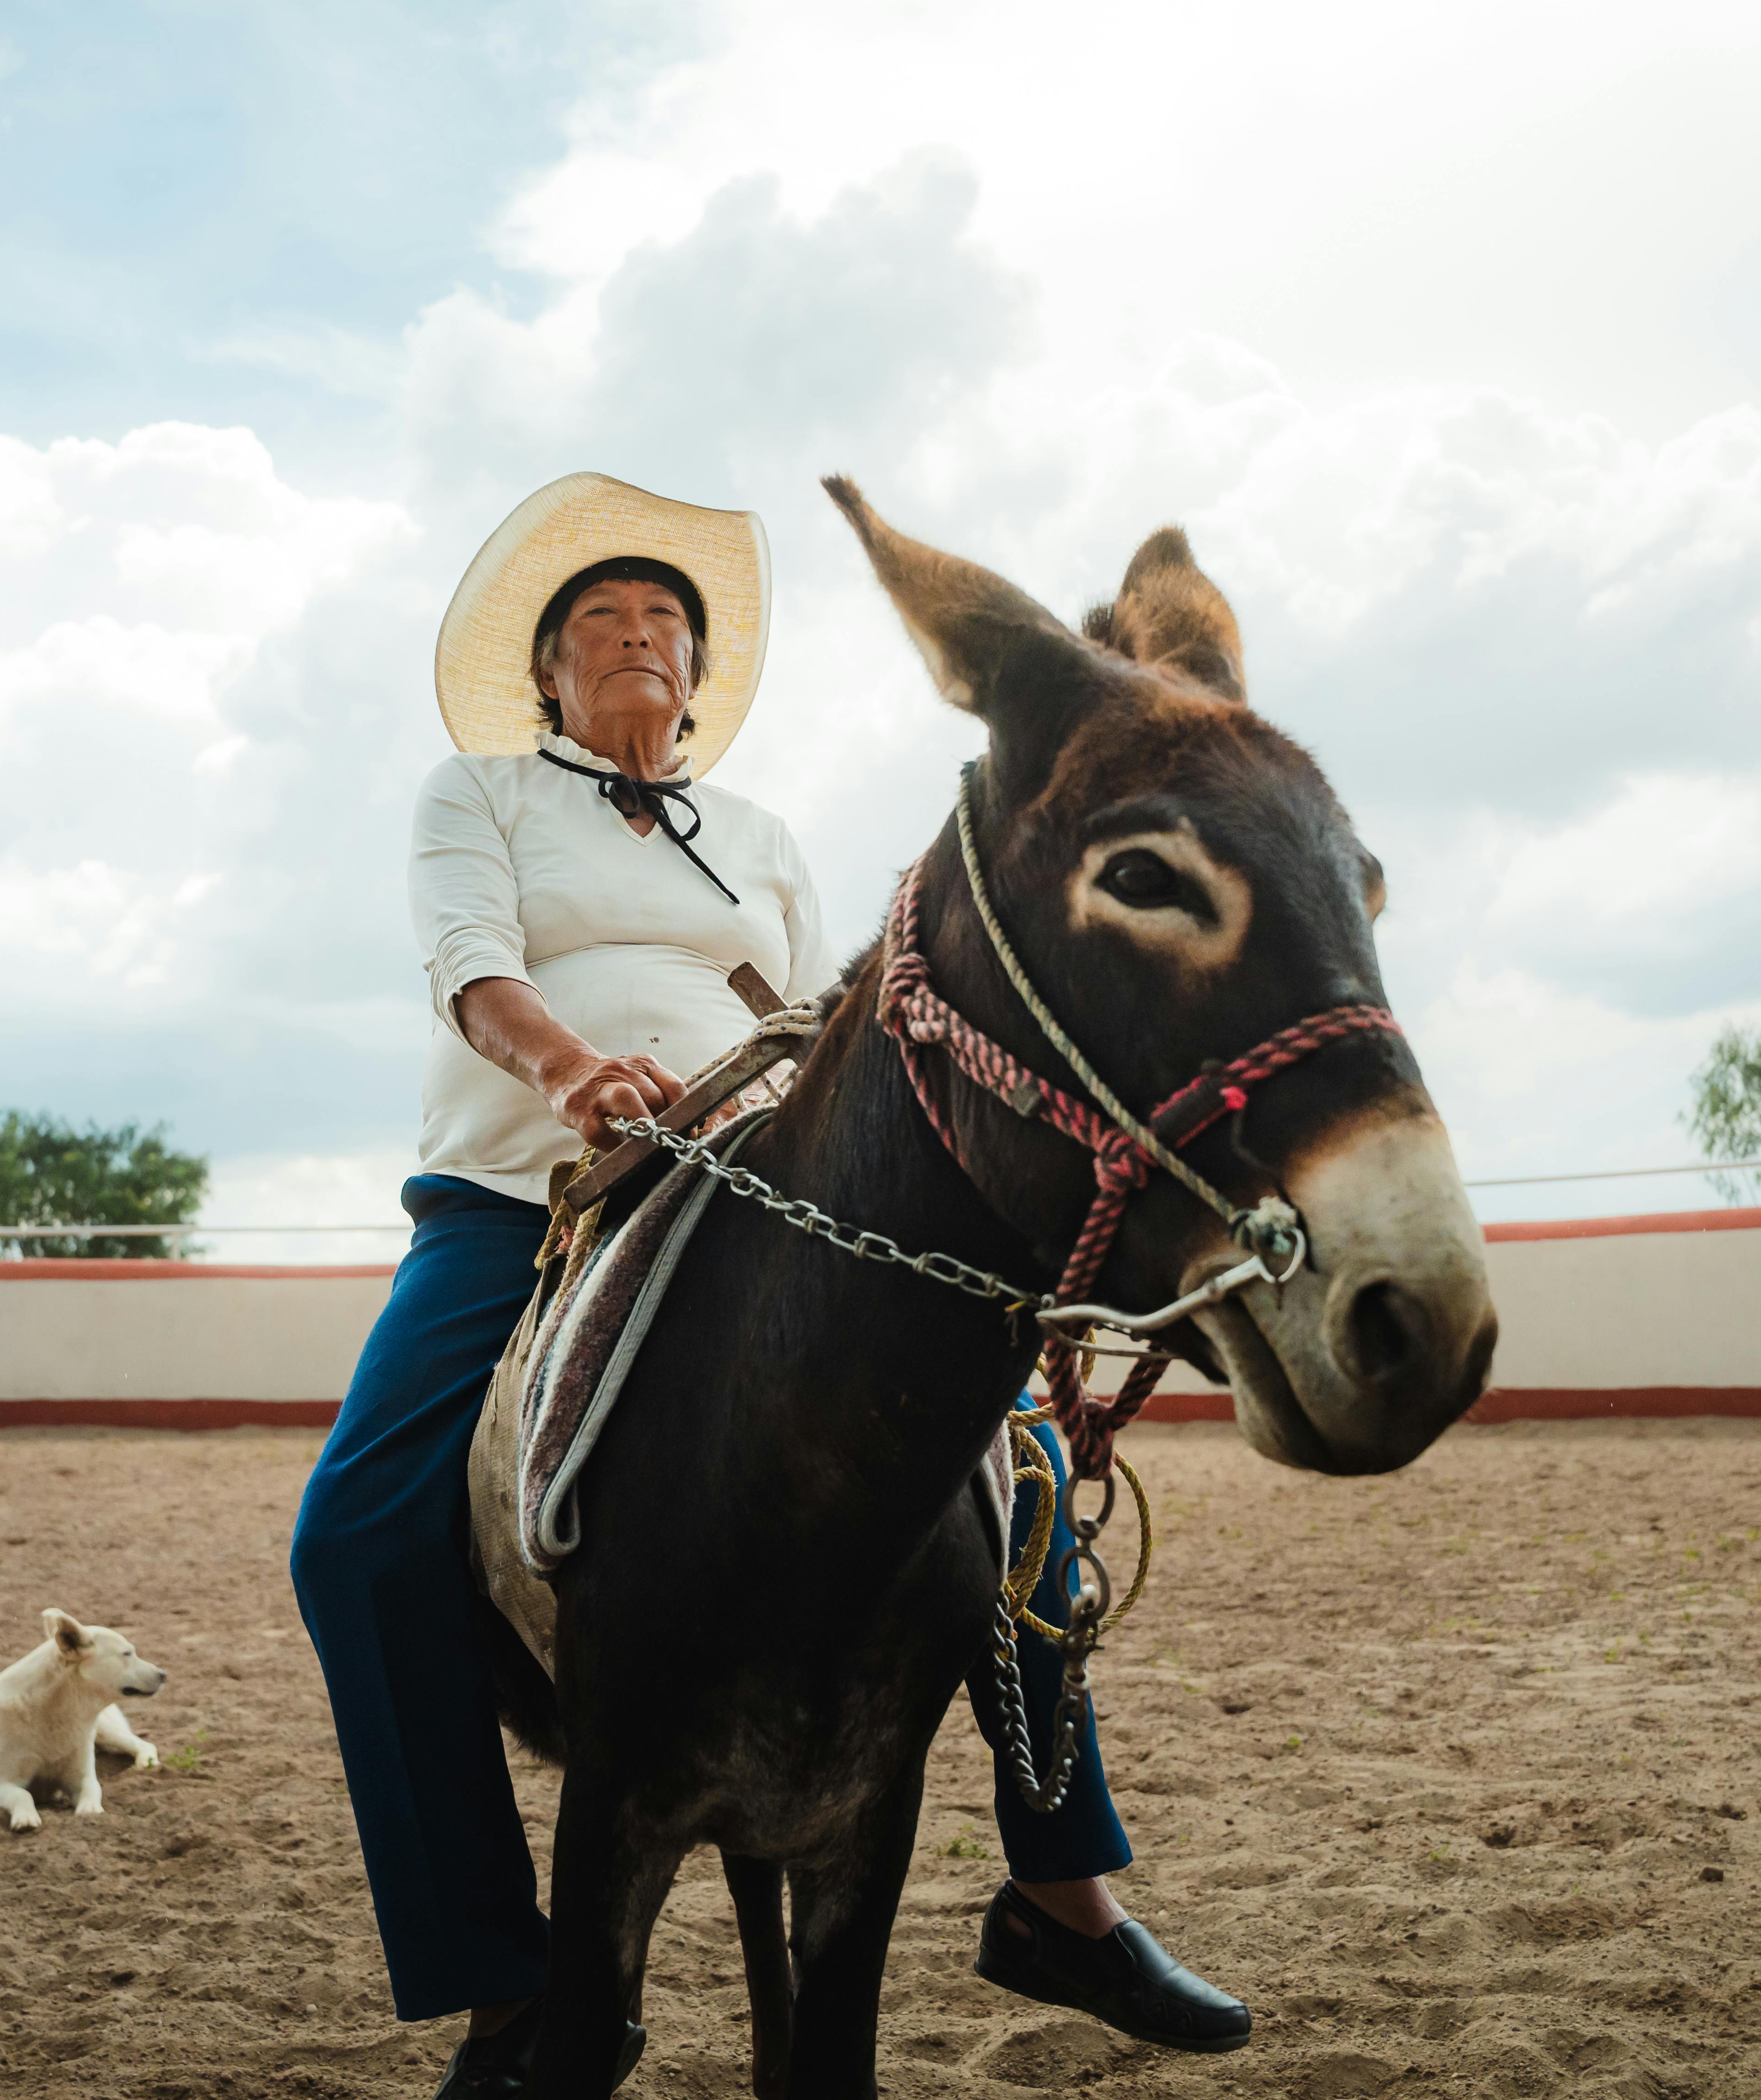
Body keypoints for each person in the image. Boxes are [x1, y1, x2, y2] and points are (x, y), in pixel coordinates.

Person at [288, 473, 1249, 2098]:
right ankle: (499, 1971)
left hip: (752, 1183)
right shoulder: (479, 795)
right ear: (547, 674)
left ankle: (1061, 1890)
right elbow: (470, 963)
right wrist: (575, 1067)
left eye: (665, 620)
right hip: (519, 1196)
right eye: (600, 620)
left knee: (1010, 1471)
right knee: (353, 1537)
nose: (638, 636)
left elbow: (829, 1024)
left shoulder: (765, 839)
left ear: (697, 670)